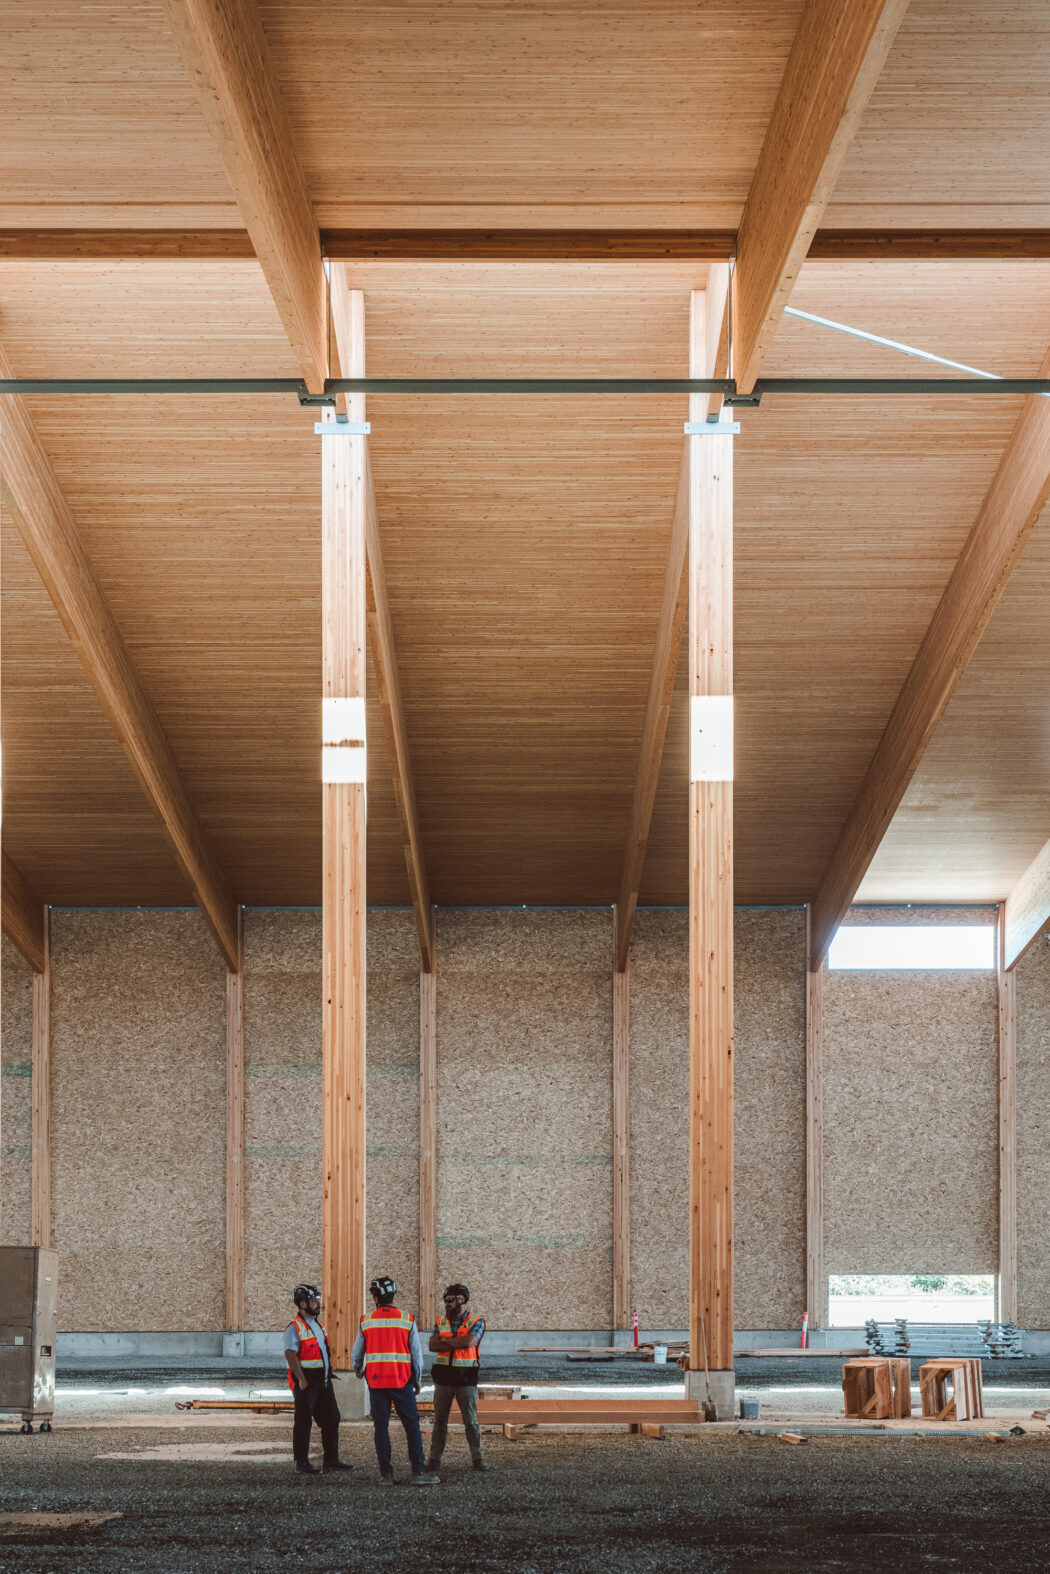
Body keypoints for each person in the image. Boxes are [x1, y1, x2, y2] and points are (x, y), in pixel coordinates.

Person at [352, 1276, 437, 1486]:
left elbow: (357, 1352)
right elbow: (416, 1355)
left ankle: (386, 1475)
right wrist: (417, 1380)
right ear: (393, 1295)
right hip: (401, 1380)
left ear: (375, 1297)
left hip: (376, 1382)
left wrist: (358, 1368)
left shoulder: (367, 1320)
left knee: (381, 1427)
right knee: (411, 1425)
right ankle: (418, 1472)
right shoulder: (407, 1319)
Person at [283, 1283, 352, 1475]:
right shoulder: (294, 1328)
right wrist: (301, 1379)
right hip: (306, 1383)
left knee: (332, 1418)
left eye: (318, 1300)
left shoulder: (318, 1326)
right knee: (303, 1422)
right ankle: (302, 1462)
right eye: (314, 1301)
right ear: (302, 1303)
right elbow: (290, 1354)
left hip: (322, 1381)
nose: (318, 1304)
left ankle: (331, 1460)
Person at [427, 1282, 488, 1473]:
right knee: (439, 1422)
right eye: (446, 1300)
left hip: (466, 1380)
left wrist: (445, 1341)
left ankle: (478, 1460)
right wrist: (456, 1342)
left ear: (462, 1300)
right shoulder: (440, 1322)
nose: (447, 1303)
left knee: (471, 1422)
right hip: (443, 1380)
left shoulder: (476, 1322)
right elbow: (432, 1346)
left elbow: (469, 1342)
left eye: (451, 1300)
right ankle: (434, 1460)